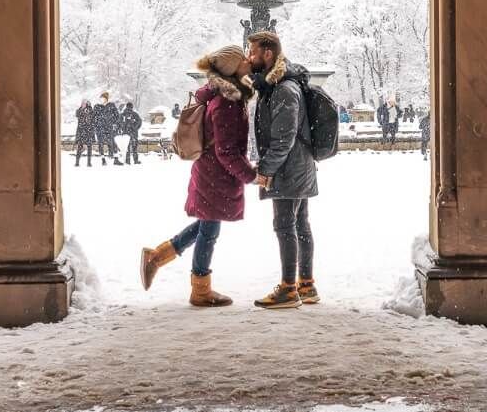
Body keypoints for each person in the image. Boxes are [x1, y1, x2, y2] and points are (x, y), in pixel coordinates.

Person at [140, 45, 256, 307]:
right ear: (232, 69)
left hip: (210, 171)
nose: (248, 60)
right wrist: (250, 175)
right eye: (242, 58)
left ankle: (157, 257)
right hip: (215, 173)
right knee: (209, 230)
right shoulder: (227, 102)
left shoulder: (223, 96)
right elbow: (226, 151)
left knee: (207, 224)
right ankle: (200, 289)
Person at [247, 31, 318, 310]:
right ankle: (306, 284)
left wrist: (265, 169)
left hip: (290, 169)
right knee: (300, 225)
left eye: (252, 52)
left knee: (285, 225)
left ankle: (289, 288)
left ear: (268, 54)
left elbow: (284, 138)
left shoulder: (284, 89)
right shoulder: (276, 86)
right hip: (298, 167)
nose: (249, 57)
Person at [93, 91, 122, 165]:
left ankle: (116, 159)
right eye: (101, 98)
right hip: (100, 129)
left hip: (109, 128)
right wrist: (96, 126)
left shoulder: (111, 106)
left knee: (113, 144)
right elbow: (93, 118)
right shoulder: (97, 107)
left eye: (103, 98)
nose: (101, 99)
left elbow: (117, 116)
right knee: (101, 144)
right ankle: (103, 160)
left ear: (106, 99)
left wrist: (114, 124)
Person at [75, 100, 95, 166]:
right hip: (81, 131)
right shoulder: (80, 111)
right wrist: (82, 110)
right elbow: (77, 114)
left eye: (84, 103)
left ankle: (89, 163)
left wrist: (88, 110)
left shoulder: (90, 111)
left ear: (87, 104)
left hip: (88, 131)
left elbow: (92, 119)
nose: (83, 104)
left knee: (89, 148)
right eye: (82, 103)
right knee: (80, 147)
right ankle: (77, 162)